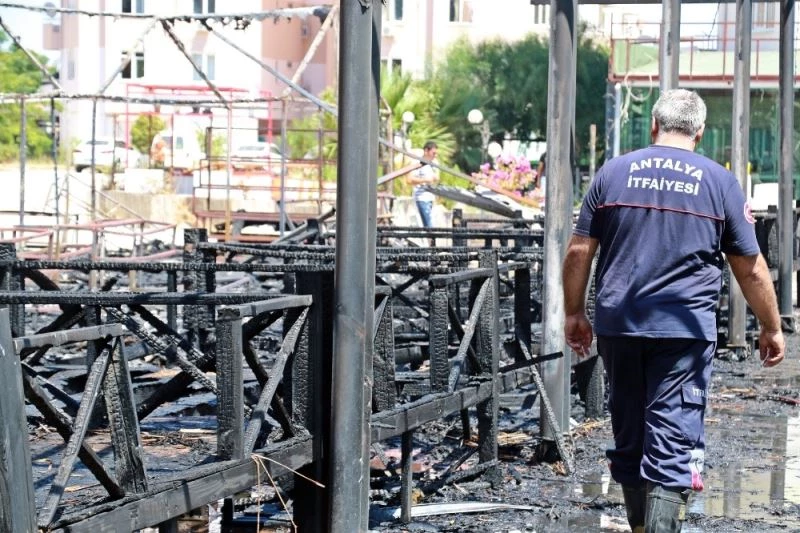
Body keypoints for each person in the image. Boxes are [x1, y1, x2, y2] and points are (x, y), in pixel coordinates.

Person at [562, 89, 784, 533]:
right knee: (671, 440)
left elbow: (579, 250)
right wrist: (771, 326)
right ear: (699, 132)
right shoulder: (717, 182)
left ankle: (640, 526)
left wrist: (574, 313)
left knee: (628, 432)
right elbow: (750, 267)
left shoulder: (614, 173)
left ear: (654, 126)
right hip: (683, 330)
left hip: (619, 325)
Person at [408, 141, 440, 228]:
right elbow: (409, 179)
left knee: (432, 225)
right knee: (429, 226)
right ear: (426, 151)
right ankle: (430, 240)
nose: (435, 156)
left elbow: (436, 178)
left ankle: (431, 240)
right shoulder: (417, 163)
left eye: (436, 154)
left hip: (432, 198)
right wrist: (425, 180)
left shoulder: (435, 163)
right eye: (433, 153)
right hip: (422, 198)